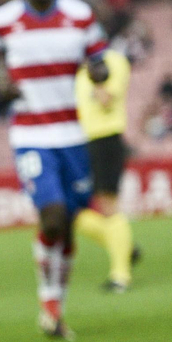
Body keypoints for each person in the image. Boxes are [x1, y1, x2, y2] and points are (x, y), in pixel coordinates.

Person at [0, 0, 107, 340]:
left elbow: (99, 59)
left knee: (67, 227)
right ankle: (47, 300)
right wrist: (2, 84)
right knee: (50, 216)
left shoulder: (80, 15)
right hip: (31, 134)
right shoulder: (2, 20)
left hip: (72, 133)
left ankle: (56, 308)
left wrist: (98, 71)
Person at [73, 49, 142, 293]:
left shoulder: (113, 61)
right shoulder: (76, 67)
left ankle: (120, 277)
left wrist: (96, 76)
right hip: (82, 143)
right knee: (73, 211)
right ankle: (124, 245)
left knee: (107, 203)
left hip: (106, 138)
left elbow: (106, 100)